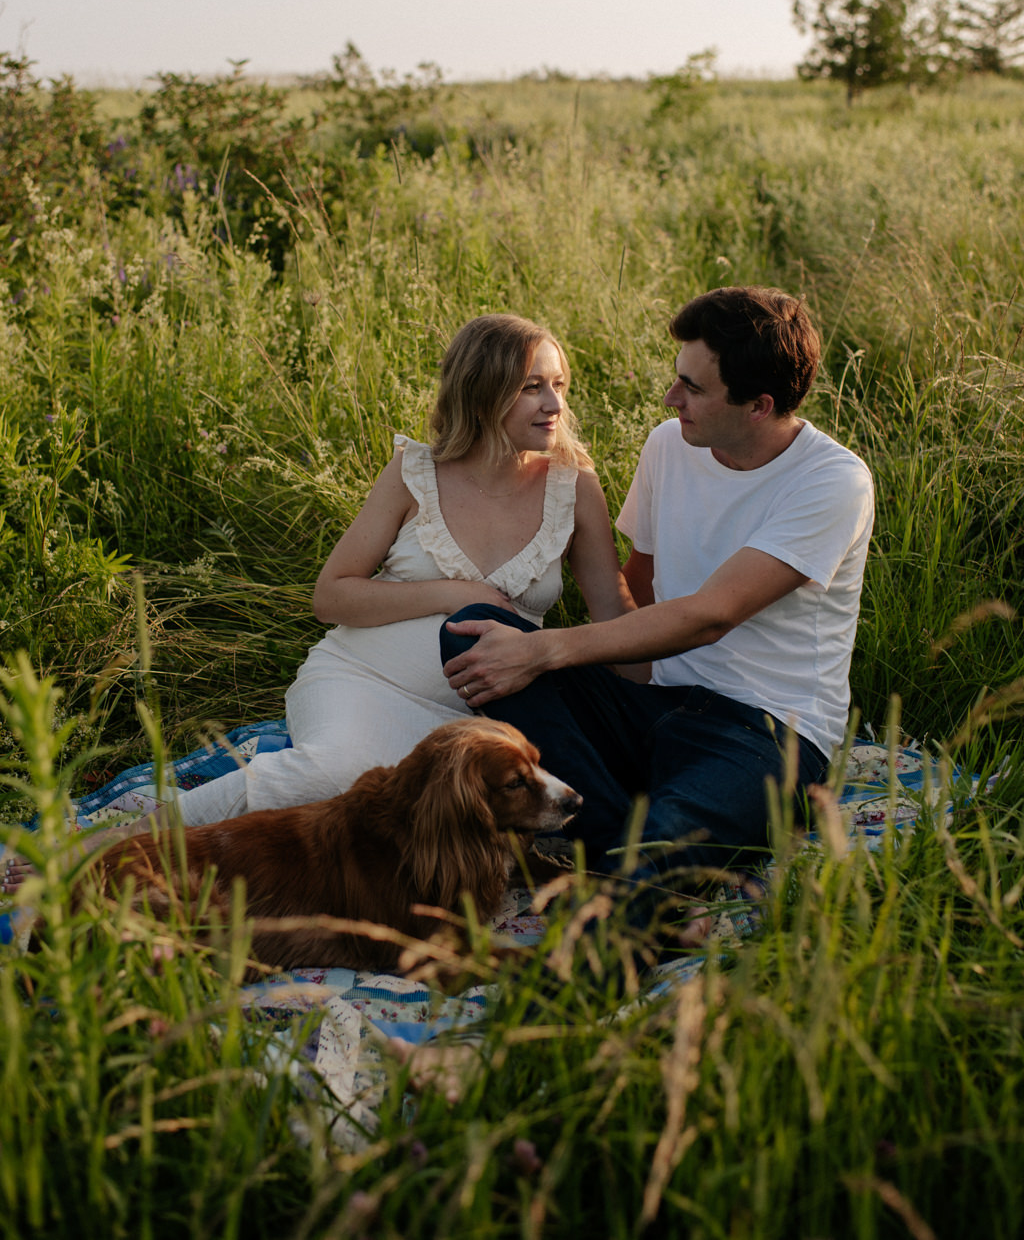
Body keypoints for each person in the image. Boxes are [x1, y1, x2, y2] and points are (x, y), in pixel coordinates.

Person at [440, 287, 875, 935]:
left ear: (758, 407)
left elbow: (711, 614)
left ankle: (625, 897)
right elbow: (636, 585)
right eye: (677, 380)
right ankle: (633, 838)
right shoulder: (670, 445)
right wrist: (564, 671)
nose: (672, 400)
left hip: (763, 732)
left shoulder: (832, 482)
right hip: (657, 705)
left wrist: (546, 648)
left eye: (693, 389)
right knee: (473, 633)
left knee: (658, 851)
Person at [109, 314, 632, 831]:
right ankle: (122, 843)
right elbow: (332, 596)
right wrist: (451, 592)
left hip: (486, 717)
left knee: (449, 816)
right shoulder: (414, 474)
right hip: (364, 681)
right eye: (532, 387)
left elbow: (613, 615)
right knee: (333, 774)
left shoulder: (574, 489)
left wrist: (641, 721)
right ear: (483, 392)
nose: (555, 405)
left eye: (559, 385)